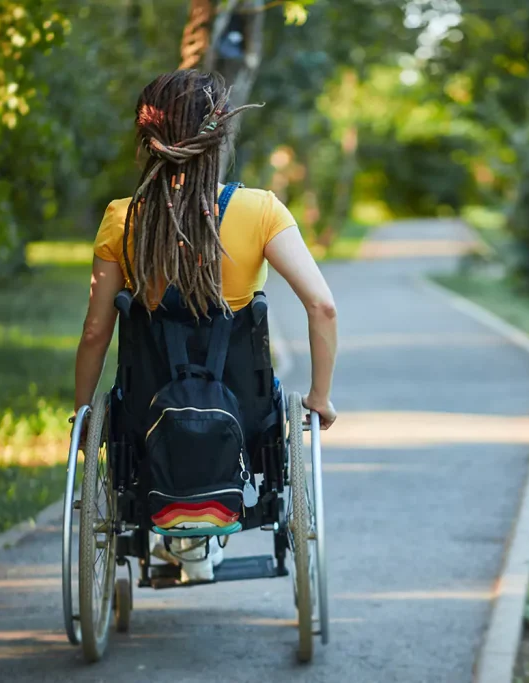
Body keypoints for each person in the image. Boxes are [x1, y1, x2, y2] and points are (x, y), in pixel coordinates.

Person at [72, 69, 338, 580]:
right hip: (246, 408)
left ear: (149, 139)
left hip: (148, 408)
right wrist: (320, 398)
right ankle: (201, 538)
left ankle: (177, 539)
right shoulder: (261, 211)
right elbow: (322, 306)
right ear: (219, 134)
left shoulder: (122, 219)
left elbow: (94, 333)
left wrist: (85, 416)